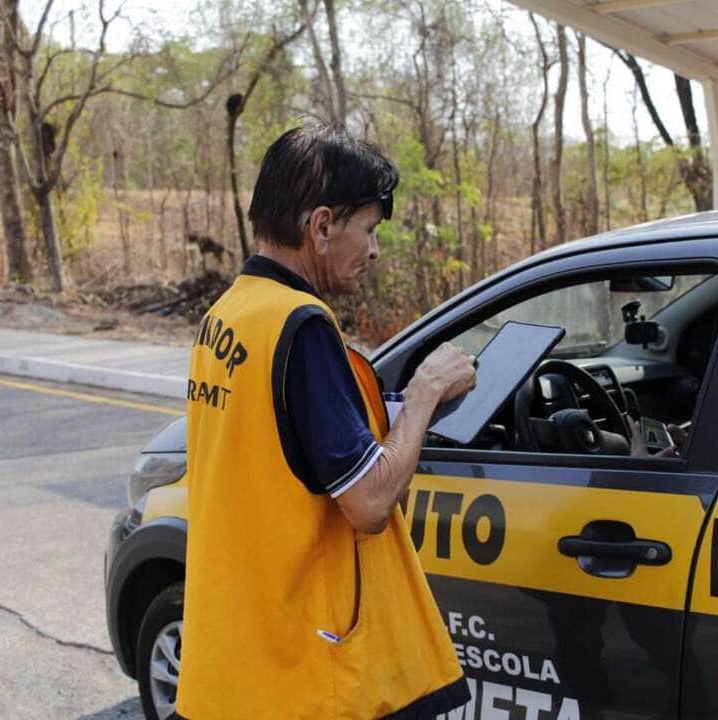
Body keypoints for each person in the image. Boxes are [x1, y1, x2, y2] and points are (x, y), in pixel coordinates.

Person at [176, 124, 476, 719]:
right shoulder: (302, 324)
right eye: (367, 230)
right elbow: (367, 503)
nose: (373, 250)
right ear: (320, 226)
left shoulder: (228, 313)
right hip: (305, 680)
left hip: (234, 669)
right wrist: (423, 396)